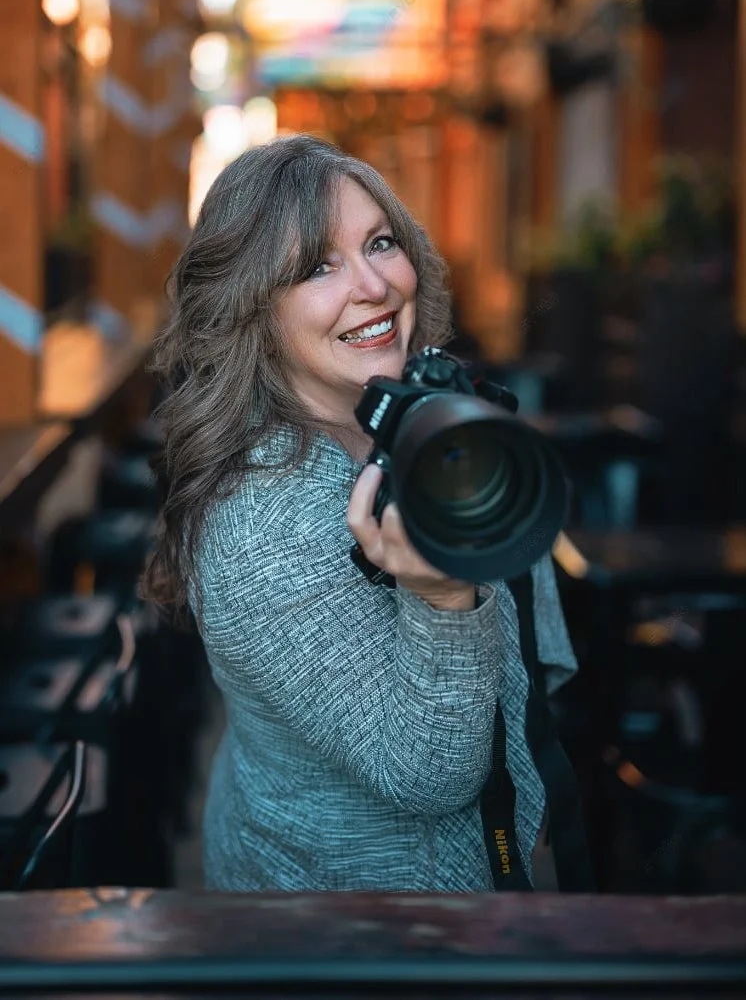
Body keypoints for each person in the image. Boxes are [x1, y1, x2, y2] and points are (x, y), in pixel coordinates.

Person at [142, 133, 577, 892]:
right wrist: (442, 597)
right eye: (317, 267)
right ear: (251, 308)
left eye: (380, 243)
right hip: (351, 922)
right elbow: (430, 773)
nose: (374, 285)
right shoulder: (260, 524)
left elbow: (528, 640)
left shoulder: (416, 415)